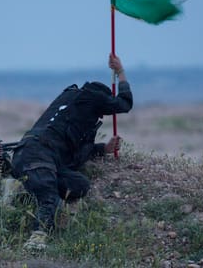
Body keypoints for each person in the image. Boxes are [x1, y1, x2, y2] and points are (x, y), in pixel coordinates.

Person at [11, 53, 133, 251]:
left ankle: (24, 189)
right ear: (100, 100)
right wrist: (120, 72)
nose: (101, 115)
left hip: (32, 154)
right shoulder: (92, 98)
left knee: (79, 184)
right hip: (38, 154)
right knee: (49, 198)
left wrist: (104, 149)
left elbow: (72, 152)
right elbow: (125, 103)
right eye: (102, 110)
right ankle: (37, 239)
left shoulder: (71, 98)